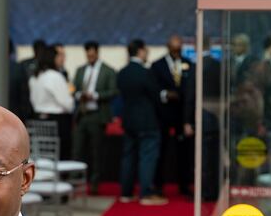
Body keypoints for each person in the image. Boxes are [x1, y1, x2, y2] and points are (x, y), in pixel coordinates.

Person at [118, 39, 168, 205]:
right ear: (140, 51)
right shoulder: (146, 72)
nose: (147, 53)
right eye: (145, 50)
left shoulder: (122, 72)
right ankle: (145, 193)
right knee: (147, 157)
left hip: (128, 121)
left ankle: (126, 193)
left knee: (128, 157)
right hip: (147, 121)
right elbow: (156, 95)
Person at [150, 34, 195, 197]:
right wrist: (165, 94)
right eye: (174, 48)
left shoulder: (188, 64)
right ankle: (158, 185)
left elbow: (191, 90)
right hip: (163, 115)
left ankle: (184, 185)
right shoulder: (157, 65)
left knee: (184, 152)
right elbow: (153, 89)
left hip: (182, 115)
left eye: (179, 48)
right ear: (168, 47)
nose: (177, 51)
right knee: (160, 151)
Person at [71, 41, 118, 195]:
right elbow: (74, 89)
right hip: (82, 115)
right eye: (88, 54)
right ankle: (76, 182)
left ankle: (95, 183)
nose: (90, 57)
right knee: (77, 151)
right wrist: (80, 95)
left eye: (92, 54)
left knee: (96, 152)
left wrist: (95, 96)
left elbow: (113, 91)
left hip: (98, 116)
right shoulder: (80, 70)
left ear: (97, 53)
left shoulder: (108, 71)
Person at [30, 46, 75, 159]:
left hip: (39, 120)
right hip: (57, 123)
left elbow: (33, 100)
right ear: (52, 58)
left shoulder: (36, 77)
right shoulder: (55, 76)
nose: (62, 59)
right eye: (59, 56)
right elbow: (68, 104)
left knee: (43, 155)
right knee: (60, 157)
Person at [11, 39, 47, 119]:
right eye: (38, 49)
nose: (40, 52)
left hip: (41, 104)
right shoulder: (24, 64)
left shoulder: (48, 66)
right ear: (34, 50)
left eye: (42, 50)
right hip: (27, 101)